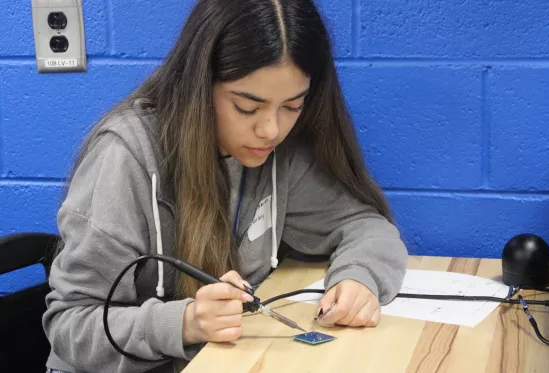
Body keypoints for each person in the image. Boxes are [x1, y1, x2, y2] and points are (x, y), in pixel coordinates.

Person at [42, 0, 408, 372]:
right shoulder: (124, 157)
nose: (271, 130)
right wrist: (184, 324)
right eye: (248, 108)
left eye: (292, 106)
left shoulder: (276, 155)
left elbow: (367, 226)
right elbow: (70, 327)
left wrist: (360, 278)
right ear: (199, 85)